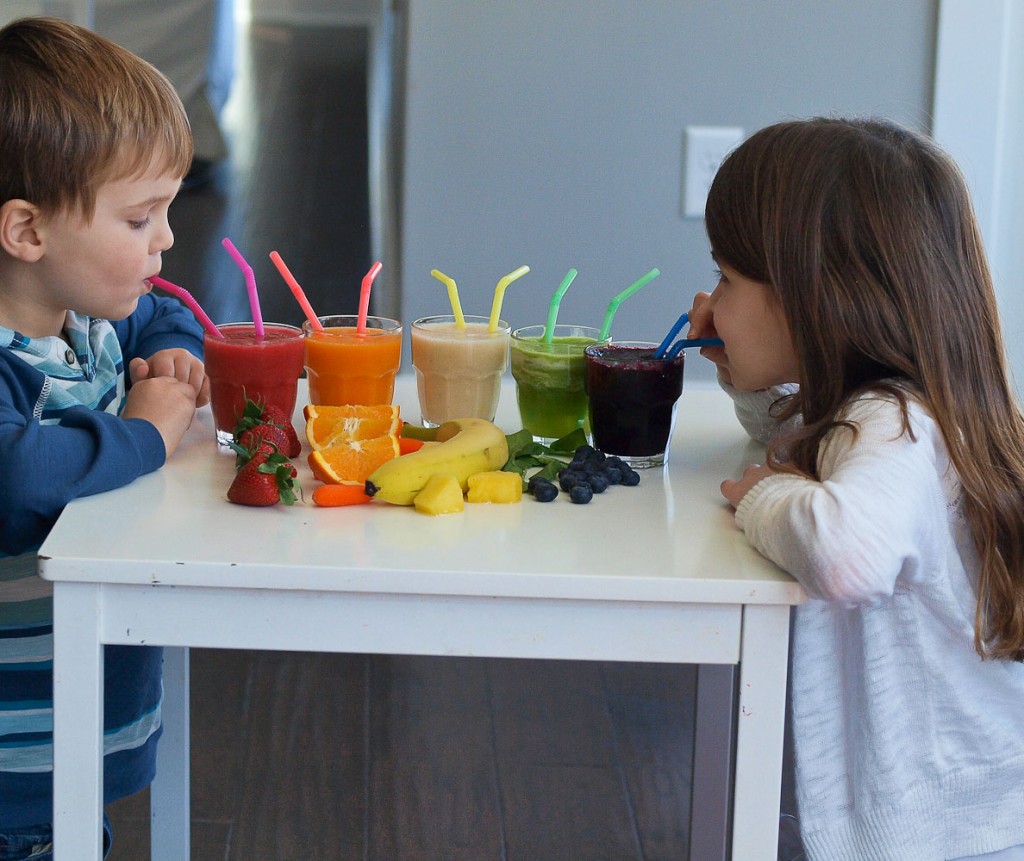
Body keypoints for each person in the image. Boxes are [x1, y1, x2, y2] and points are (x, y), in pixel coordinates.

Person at [688, 117, 1024, 861]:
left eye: (728, 277)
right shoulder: (903, 406)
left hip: (950, 836)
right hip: (971, 811)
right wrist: (747, 382)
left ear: (809, 298)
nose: (711, 299)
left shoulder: (889, 422)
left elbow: (847, 553)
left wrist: (760, 499)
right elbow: (810, 441)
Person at [0, 17, 209, 860]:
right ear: (28, 232)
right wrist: (146, 431)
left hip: (70, 724)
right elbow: (18, 476)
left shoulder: (86, 318)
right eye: (139, 218)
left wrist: (176, 354)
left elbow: (162, 315)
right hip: (12, 761)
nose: (166, 238)